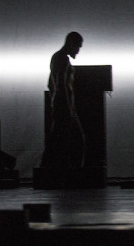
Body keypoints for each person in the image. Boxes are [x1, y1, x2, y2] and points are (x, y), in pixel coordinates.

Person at [40, 31, 86, 168]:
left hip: (60, 106)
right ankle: (73, 174)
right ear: (71, 44)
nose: (78, 51)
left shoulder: (57, 58)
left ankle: (46, 170)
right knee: (77, 141)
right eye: (78, 46)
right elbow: (62, 85)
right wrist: (69, 109)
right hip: (64, 107)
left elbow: (51, 84)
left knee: (57, 141)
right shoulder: (63, 59)